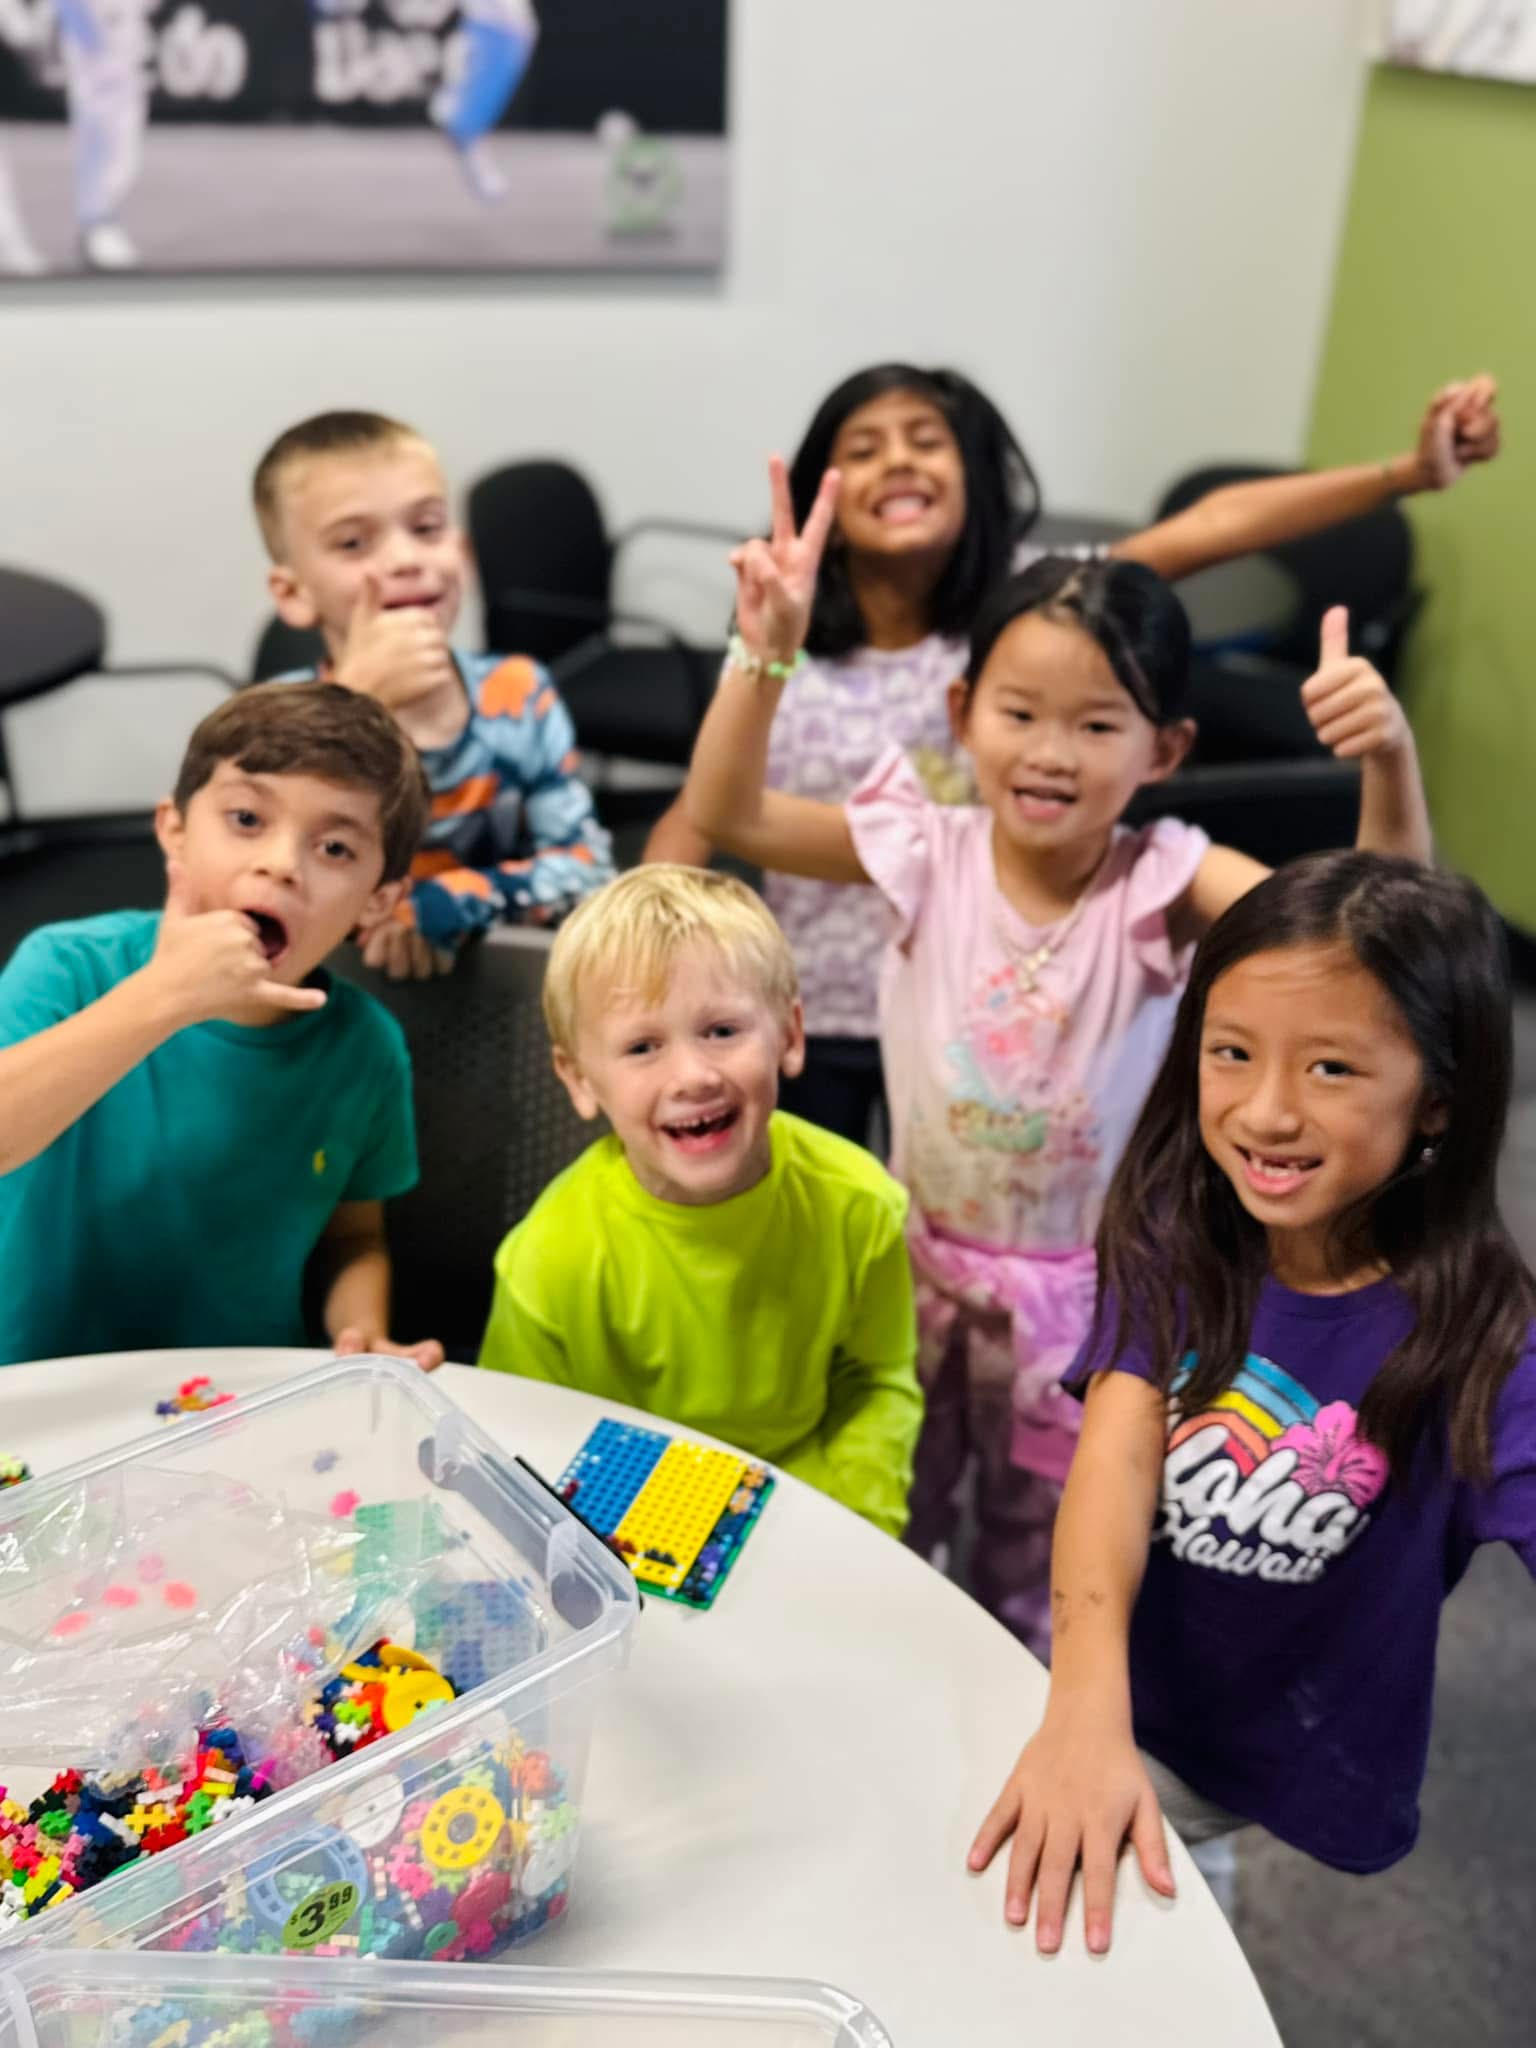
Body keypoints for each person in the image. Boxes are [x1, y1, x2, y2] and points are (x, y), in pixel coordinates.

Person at [679, 460, 1433, 1645]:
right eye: (1020, 712)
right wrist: (760, 651)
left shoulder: (1168, 880)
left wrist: (1388, 760)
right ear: (963, 710)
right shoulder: (922, 848)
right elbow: (732, 812)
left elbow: (1369, 939)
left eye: (1097, 723)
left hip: (1094, 1303)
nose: (1050, 750)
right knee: (891, 1525)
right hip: (912, 1272)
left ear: (1165, 747)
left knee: (1052, 1559)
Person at [646, 363, 1500, 1149]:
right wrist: (647, 964)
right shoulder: (784, 649)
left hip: (1009, 993)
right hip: (820, 994)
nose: (898, 463)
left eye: (926, 441)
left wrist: (1405, 476)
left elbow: (1213, 526)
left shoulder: (1031, 617)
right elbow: (713, 805)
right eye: (864, 448)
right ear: (968, 712)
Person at [968, 851, 1536, 1955]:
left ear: (1438, 1104)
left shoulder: (1489, 1337)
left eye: (1331, 1068)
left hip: (1293, 1729)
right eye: (1232, 1053)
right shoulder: (1174, 1229)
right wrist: (1088, 1702)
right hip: (1130, 1692)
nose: (1266, 1112)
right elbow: (1117, 1460)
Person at [0, 681, 444, 1370]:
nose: (280, 864)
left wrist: (361, 1333)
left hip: (235, 1406)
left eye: (334, 850)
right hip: (38, 1390)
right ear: (174, 831)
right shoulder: (67, 968)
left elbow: (353, 1237)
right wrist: (165, 995)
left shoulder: (366, 1049)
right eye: (245, 819)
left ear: (378, 901)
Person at [478, 864, 923, 1537]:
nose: (692, 1076)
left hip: (805, 1499)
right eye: (642, 1046)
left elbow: (879, 1381)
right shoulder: (549, 1257)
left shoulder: (860, 1205)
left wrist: (856, 1525)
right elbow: (521, 1436)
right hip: (617, 1514)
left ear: (790, 1036)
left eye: (720, 1031)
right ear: (579, 1077)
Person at [254, 409, 613, 979]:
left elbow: (589, 871)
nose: (405, 559)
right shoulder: (267, 729)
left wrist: (442, 904)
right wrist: (353, 703)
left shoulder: (518, 694)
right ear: (294, 592)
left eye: (426, 529)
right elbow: (255, 893)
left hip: (505, 991)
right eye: (353, 543)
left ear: (462, 554)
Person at [429, 0, 540, 205]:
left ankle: (481, 170)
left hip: (503, 33)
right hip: (485, 30)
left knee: (464, 120)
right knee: (461, 120)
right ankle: (482, 171)